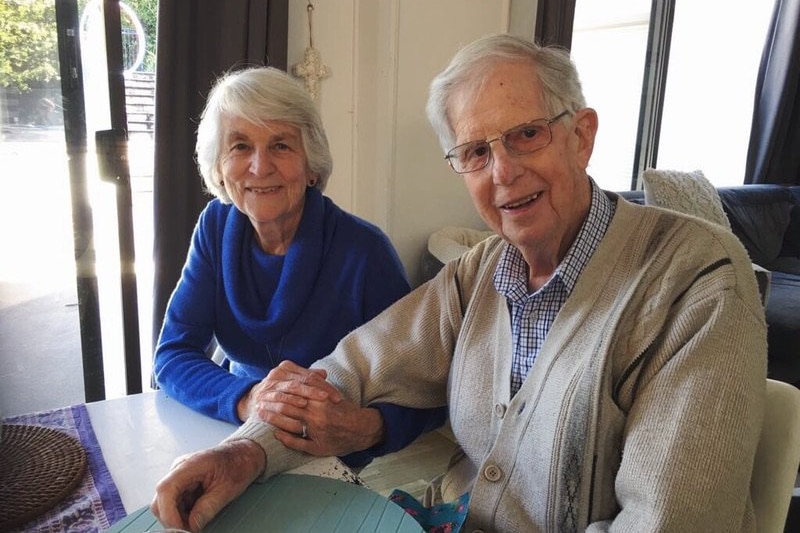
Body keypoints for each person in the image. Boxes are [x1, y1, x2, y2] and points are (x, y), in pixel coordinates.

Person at [150, 35, 767, 533]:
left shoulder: (696, 280)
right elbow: (350, 369)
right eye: (474, 152)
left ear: (581, 135)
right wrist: (246, 452)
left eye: (527, 134)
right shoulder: (482, 272)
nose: (503, 171)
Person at [152, 66, 445, 469]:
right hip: (232, 426)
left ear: (312, 166)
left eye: (281, 146)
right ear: (218, 167)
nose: (259, 167)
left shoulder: (364, 252)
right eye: (239, 146)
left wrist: (363, 429)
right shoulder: (214, 228)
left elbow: (425, 393)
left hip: (328, 455)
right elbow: (172, 354)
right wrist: (250, 398)